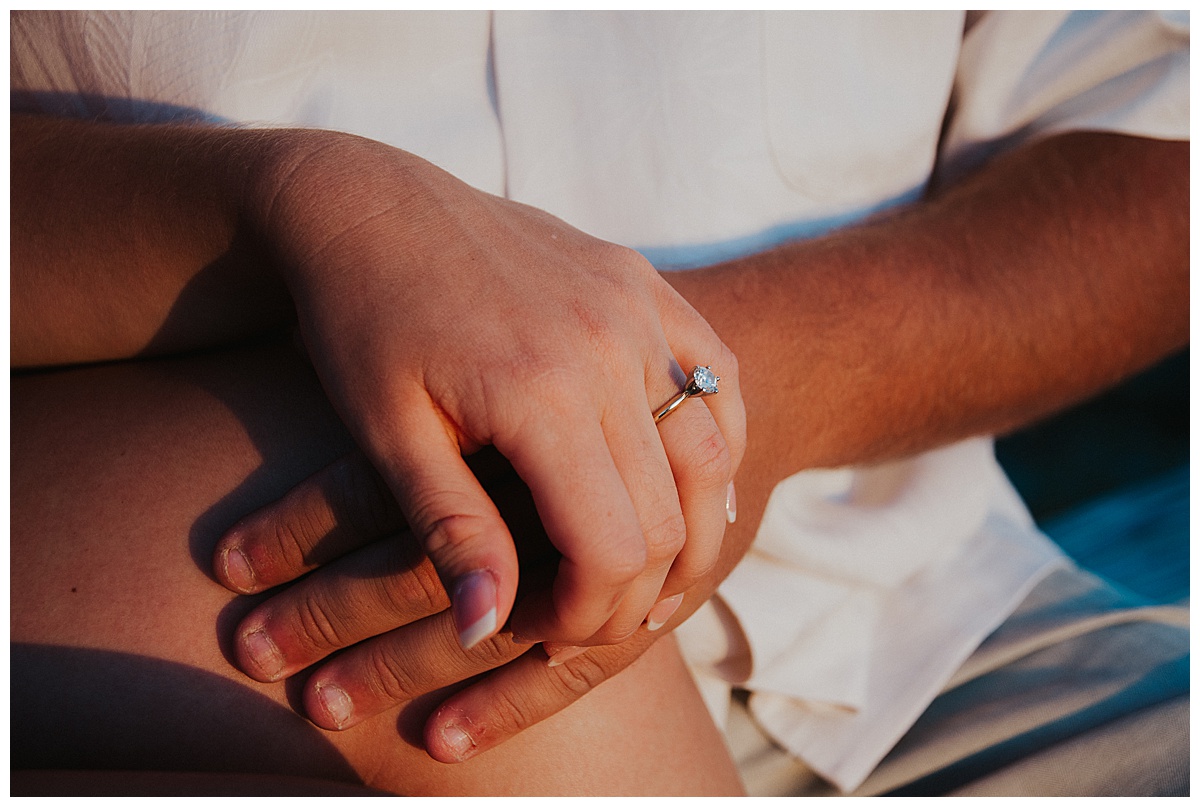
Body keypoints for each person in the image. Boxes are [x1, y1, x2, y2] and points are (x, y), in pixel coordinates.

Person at [11, 10, 1189, 796]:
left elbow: (1159, 129)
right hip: (228, 638)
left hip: (922, 625)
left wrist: (724, 394)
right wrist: (298, 206)